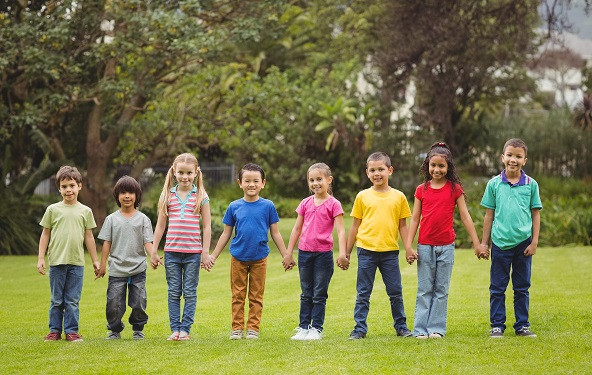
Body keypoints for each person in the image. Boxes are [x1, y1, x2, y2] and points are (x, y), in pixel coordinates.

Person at [404, 142, 489, 339]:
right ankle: (420, 330)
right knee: (425, 289)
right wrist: (408, 246)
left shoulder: (454, 189)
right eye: (433, 165)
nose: (437, 169)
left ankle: (436, 329)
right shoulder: (421, 190)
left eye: (441, 166)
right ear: (427, 165)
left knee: (441, 289)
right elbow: (415, 218)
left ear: (448, 167)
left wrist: (477, 244)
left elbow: (465, 216)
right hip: (425, 246)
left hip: (446, 247)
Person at [207, 163, 294, 340]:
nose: (251, 184)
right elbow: (226, 233)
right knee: (238, 295)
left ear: (263, 183)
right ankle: (237, 328)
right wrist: (213, 255)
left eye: (256, 181)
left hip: (259, 257)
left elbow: (275, 232)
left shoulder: (268, 206)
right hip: (238, 257)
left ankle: (253, 328)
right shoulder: (234, 207)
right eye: (247, 181)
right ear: (240, 183)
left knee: (256, 295)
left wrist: (286, 254)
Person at [346, 152, 413, 339]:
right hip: (366, 251)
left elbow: (403, 226)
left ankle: (401, 326)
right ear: (367, 173)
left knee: (395, 292)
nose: (377, 173)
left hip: (390, 252)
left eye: (381, 169)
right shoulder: (362, 196)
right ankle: (359, 329)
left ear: (390, 171)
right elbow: (354, 226)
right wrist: (347, 252)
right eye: (373, 170)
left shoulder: (399, 197)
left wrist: (408, 248)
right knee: (363, 293)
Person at [481, 138, 542, 338]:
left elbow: (535, 214)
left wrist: (534, 242)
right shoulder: (494, 184)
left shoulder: (531, 185)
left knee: (522, 287)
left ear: (525, 160)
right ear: (502, 157)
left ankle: (522, 325)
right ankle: (497, 325)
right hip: (500, 244)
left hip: (524, 244)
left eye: (518, 156)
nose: (513, 160)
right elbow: (489, 215)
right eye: (509, 155)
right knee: (497, 287)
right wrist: (484, 243)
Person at [284, 163, 347, 341]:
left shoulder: (334, 204)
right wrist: (289, 253)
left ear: (329, 180)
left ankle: (316, 328)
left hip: (323, 255)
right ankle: (303, 327)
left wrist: (342, 253)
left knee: (319, 293)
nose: (315, 183)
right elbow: (296, 229)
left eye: (319, 179)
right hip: (304, 253)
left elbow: (341, 230)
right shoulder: (305, 203)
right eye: (311, 180)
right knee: (306, 292)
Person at [152, 153, 212, 341]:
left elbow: (207, 226)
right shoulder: (167, 195)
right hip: (171, 253)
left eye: (188, 173)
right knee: (173, 291)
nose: (184, 177)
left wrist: (205, 252)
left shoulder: (201, 196)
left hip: (193, 253)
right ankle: (175, 329)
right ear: (174, 172)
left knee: (190, 292)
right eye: (181, 172)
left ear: (196, 173)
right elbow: (160, 226)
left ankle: (185, 329)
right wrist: (154, 250)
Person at [37, 165, 100, 342]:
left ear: (79, 185)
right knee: (57, 300)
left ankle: (72, 331)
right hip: (57, 262)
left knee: (72, 300)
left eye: (72, 185)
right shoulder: (53, 210)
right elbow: (45, 234)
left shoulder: (85, 211)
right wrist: (41, 258)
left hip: (77, 263)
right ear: (59, 188)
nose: (68, 190)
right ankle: (54, 331)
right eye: (64, 187)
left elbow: (89, 237)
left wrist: (95, 261)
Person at [96, 176, 162, 340]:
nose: (127, 196)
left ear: (137, 196)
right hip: (117, 269)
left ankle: (138, 329)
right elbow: (106, 243)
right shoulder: (111, 219)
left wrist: (153, 255)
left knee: (139, 302)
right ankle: (114, 329)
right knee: (114, 304)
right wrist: (102, 265)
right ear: (117, 196)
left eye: (131, 192)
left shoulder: (143, 219)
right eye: (123, 192)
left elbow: (147, 241)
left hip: (138, 269)